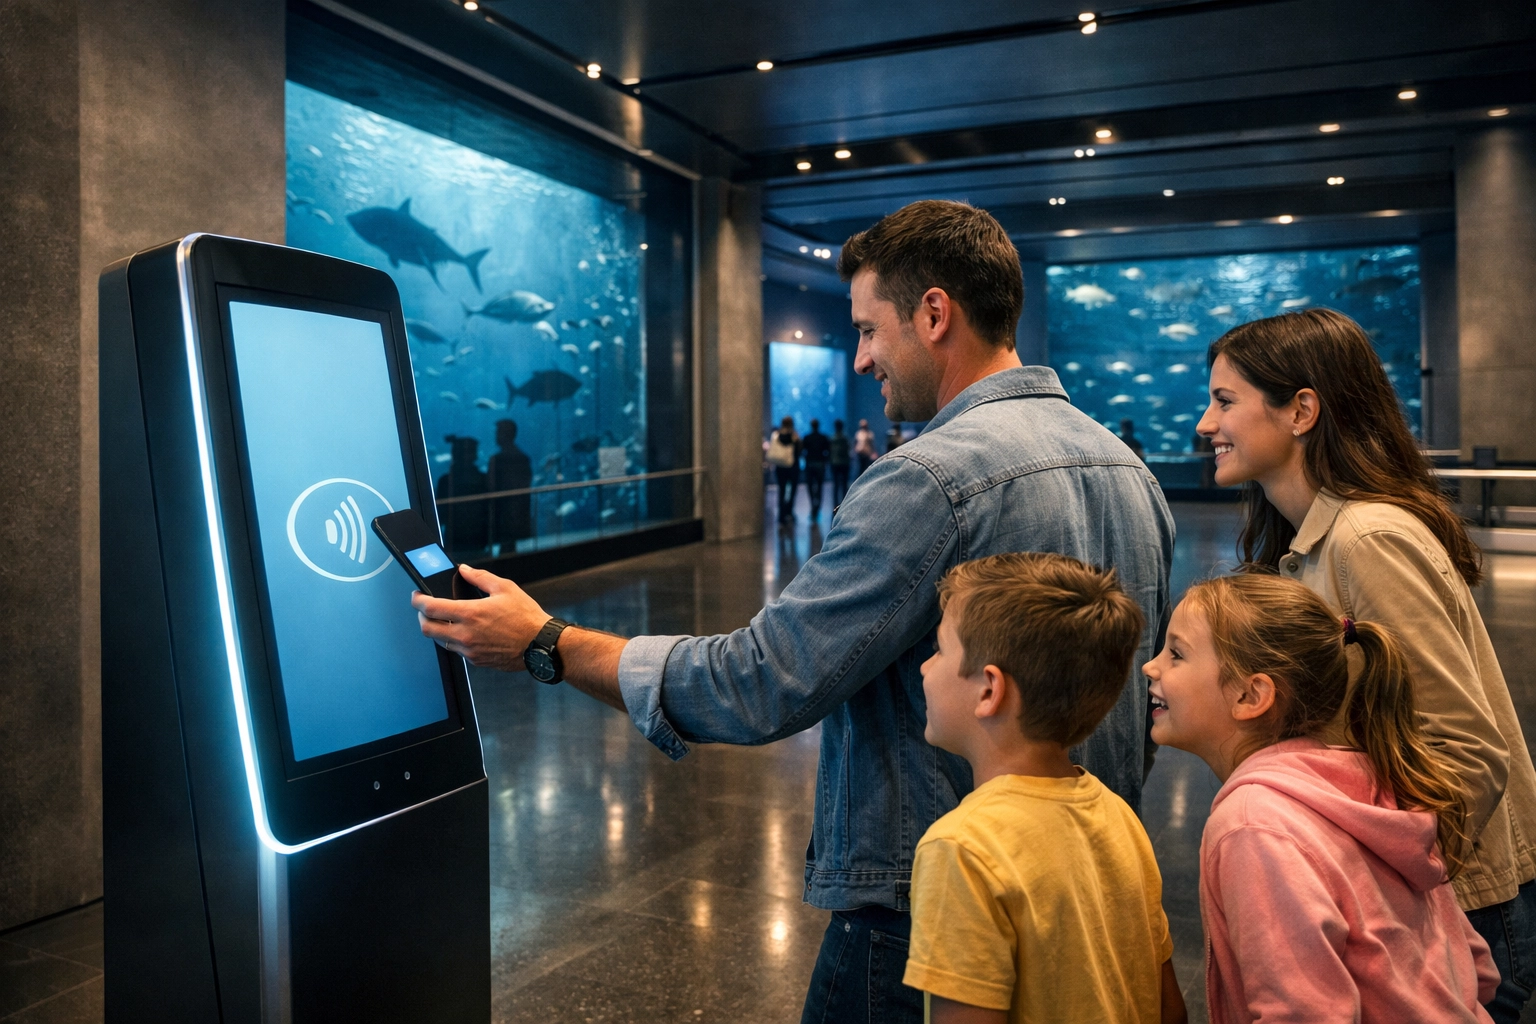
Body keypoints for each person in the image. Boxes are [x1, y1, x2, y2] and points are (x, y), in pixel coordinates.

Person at [412, 199, 1174, 1023]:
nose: (860, 359)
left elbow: (764, 678)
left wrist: (548, 643)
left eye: (870, 330)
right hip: (1093, 894)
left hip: (928, 920)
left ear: (934, 313)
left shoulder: (928, 478)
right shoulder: (1129, 470)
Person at [1198, 308, 1536, 1022]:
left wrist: (1383, 880)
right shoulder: (1306, 538)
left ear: (1301, 410)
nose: (1206, 423)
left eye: (1225, 401)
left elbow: (1468, 752)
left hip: (1458, 910)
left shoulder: (1367, 537)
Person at [1145, 573, 1497, 1022]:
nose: (1151, 666)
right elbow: (1476, 966)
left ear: (1251, 695)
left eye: (1176, 654)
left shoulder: (1252, 825)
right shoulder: (1365, 785)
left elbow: (1301, 1012)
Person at [906, 552, 1185, 1024]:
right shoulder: (1119, 817)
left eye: (939, 650)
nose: (924, 669)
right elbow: (1168, 1008)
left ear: (990, 691)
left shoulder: (962, 850)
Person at [435, 434, 488, 554]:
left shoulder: (445, 480)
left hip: (455, 538)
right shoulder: (483, 478)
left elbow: (441, 514)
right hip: (478, 537)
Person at [487, 419, 532, 555]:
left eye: (499, 432)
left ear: (506, 434)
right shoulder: (523, 458)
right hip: (518, 510)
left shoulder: (497, 459)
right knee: (509, 547)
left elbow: (490, 485)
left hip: (503, 512)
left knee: (506, 548)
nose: (496, 436)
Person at [766, 416, 801, 523]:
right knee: (792, 491)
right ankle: (789, 512)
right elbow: (799, 451)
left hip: (780, 467)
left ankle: (782, 515)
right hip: (792, 467)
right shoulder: (794, 436)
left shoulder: (776, 435)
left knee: (781, 491)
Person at [801, 418, 830, 519]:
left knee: (810, 486)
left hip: (810, 464)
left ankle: (813, 505)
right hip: (820, 464)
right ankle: (817, 506)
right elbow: (827, 451)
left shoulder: (807, 437)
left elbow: (802, 451)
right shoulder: (823, 437)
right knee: (819, 486)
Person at [829, 420, 851, 508]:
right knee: (844, 484)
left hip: (835, 463)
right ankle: (845, 503)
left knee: (836, 484)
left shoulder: (832, 438)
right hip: (844, 463)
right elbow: (848, 450)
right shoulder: (845, 438)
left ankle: (835, 504)